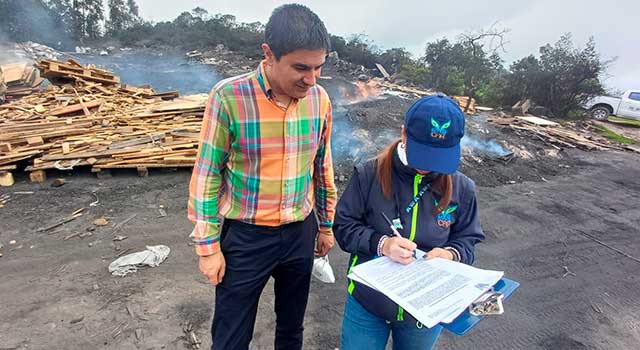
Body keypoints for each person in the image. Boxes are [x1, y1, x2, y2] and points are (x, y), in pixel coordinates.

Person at [187, 4, 337, 350]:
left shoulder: (319, 100)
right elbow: (207, 175)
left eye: (318, 68)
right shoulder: (229, 98)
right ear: (268, 54)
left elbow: (321, 166)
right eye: (301, 67)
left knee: (291, 330)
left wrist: (326, 225)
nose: (311, 79)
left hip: (300, 232)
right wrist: (208, 248)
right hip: (247, 238)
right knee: (230, 335)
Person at [333, 94, 485, 349]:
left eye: (438, 157)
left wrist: (451, 254)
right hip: (368, 303)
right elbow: (344, 227)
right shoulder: (368, 174)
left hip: (425, 311)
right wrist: (382, 244)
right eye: (423, 153)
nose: (427, 167)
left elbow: (468, 239)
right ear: (404, 133)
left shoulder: (462, 188)